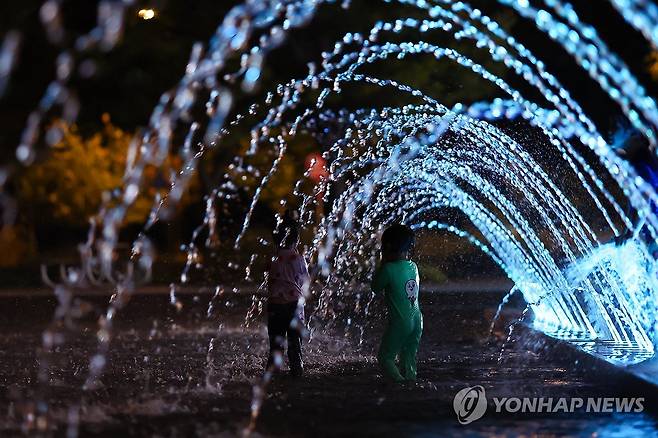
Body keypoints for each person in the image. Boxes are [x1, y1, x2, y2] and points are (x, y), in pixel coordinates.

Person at [371, 224, 423, 382]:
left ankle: (400, 386)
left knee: (385, 358)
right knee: (409, 358)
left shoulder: (388, 269)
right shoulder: (413, 266)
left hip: (401, 322)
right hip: (417, 320)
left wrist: (381, 264)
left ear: (387, 247)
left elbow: (375, 287)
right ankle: (411, 384)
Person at [265, 210, 309, 377]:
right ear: (296, 239)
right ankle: (296, 369)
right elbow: (305, 280)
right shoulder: (298, 259)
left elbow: (267, 272)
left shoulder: (272, 258)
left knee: (275, 343)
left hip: (275, 306)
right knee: (294, 342)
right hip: (293, 306)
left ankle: (273, 371)